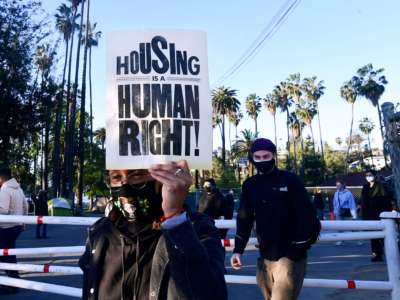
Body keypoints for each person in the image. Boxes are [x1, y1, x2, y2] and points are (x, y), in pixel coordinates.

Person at [79, 161, 227, 300]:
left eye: (137, 175)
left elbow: (212, 293)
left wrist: (175, 218)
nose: (124, 184)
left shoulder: (196, 227)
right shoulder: (100, 232)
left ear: (162, 179)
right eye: (116, 177)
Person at [230, 138, 320, 300]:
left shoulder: (291, 180)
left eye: (266, 156)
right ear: (252, 159)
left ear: (274, 156)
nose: (262, 160)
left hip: (290, 258)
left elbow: (308, 214)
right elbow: (244, 218)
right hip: (265, 257)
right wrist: (238, 250)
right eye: (258, 157)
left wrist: (300, 246)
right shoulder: (250, 185)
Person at [0, 167, 28, 295]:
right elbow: (25, 206)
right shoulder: (19, 189)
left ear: (1, 178)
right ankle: (14, 282)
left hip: (6, 227)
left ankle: (11, 284)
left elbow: (3, 209)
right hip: (17, 226)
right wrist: (23, 222)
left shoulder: (5, 189)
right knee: (9, 255)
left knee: (5, 255)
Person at [361, 169, 395, 262]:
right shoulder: (365, 187)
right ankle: (376, 255)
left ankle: (390, 254)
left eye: (370, 175)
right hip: (370, 216)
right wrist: (364, 217)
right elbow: (363, 203)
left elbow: (387, 201)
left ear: (375, 175)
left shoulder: (382, 186)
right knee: (373, 237)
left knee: (384, 237)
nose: (368, 177)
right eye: (366, 175)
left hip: (381, 215)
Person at [332, 178, 357, 246]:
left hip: (347, 211)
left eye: (339, 185)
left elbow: (352, 204)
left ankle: (358, 238)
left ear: (343, 185)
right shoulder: (336, 193)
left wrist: (354, 215)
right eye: (336, 185)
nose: (337, 186)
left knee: (352, 226)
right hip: (338, 212)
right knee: (339, 227)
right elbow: (334, 202)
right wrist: (335, 211)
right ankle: (340, 240)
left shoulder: (348, 193)